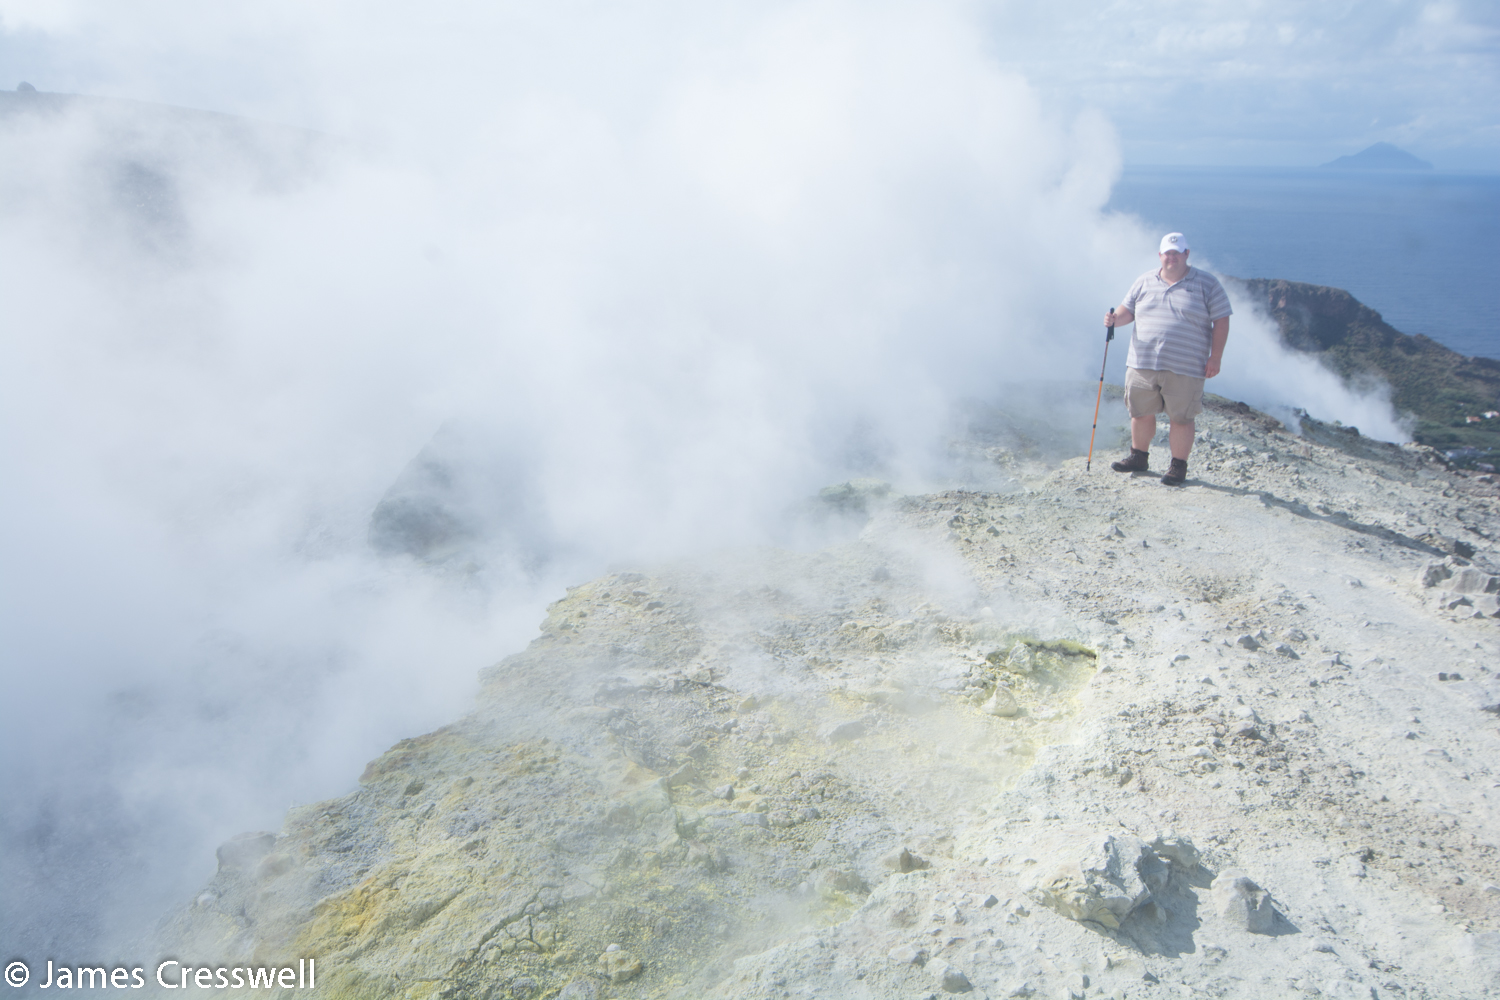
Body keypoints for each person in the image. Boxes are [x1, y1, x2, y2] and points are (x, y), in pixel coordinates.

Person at [1104, 233, 1231, 486]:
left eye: (1177, 252)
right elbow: (1127, 311)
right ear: (1160, 255)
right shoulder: (1144, 281)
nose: (1171, 257)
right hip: (1142, 362)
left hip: (1186, 365)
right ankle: (1138, 457)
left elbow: (1222, 320)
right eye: (1167, 253)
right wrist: (1114, 320)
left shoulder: (1208, 283)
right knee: (1140, 412)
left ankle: (1177, 467)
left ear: (1186, 254)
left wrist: (1215, 358)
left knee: (1181, 417)